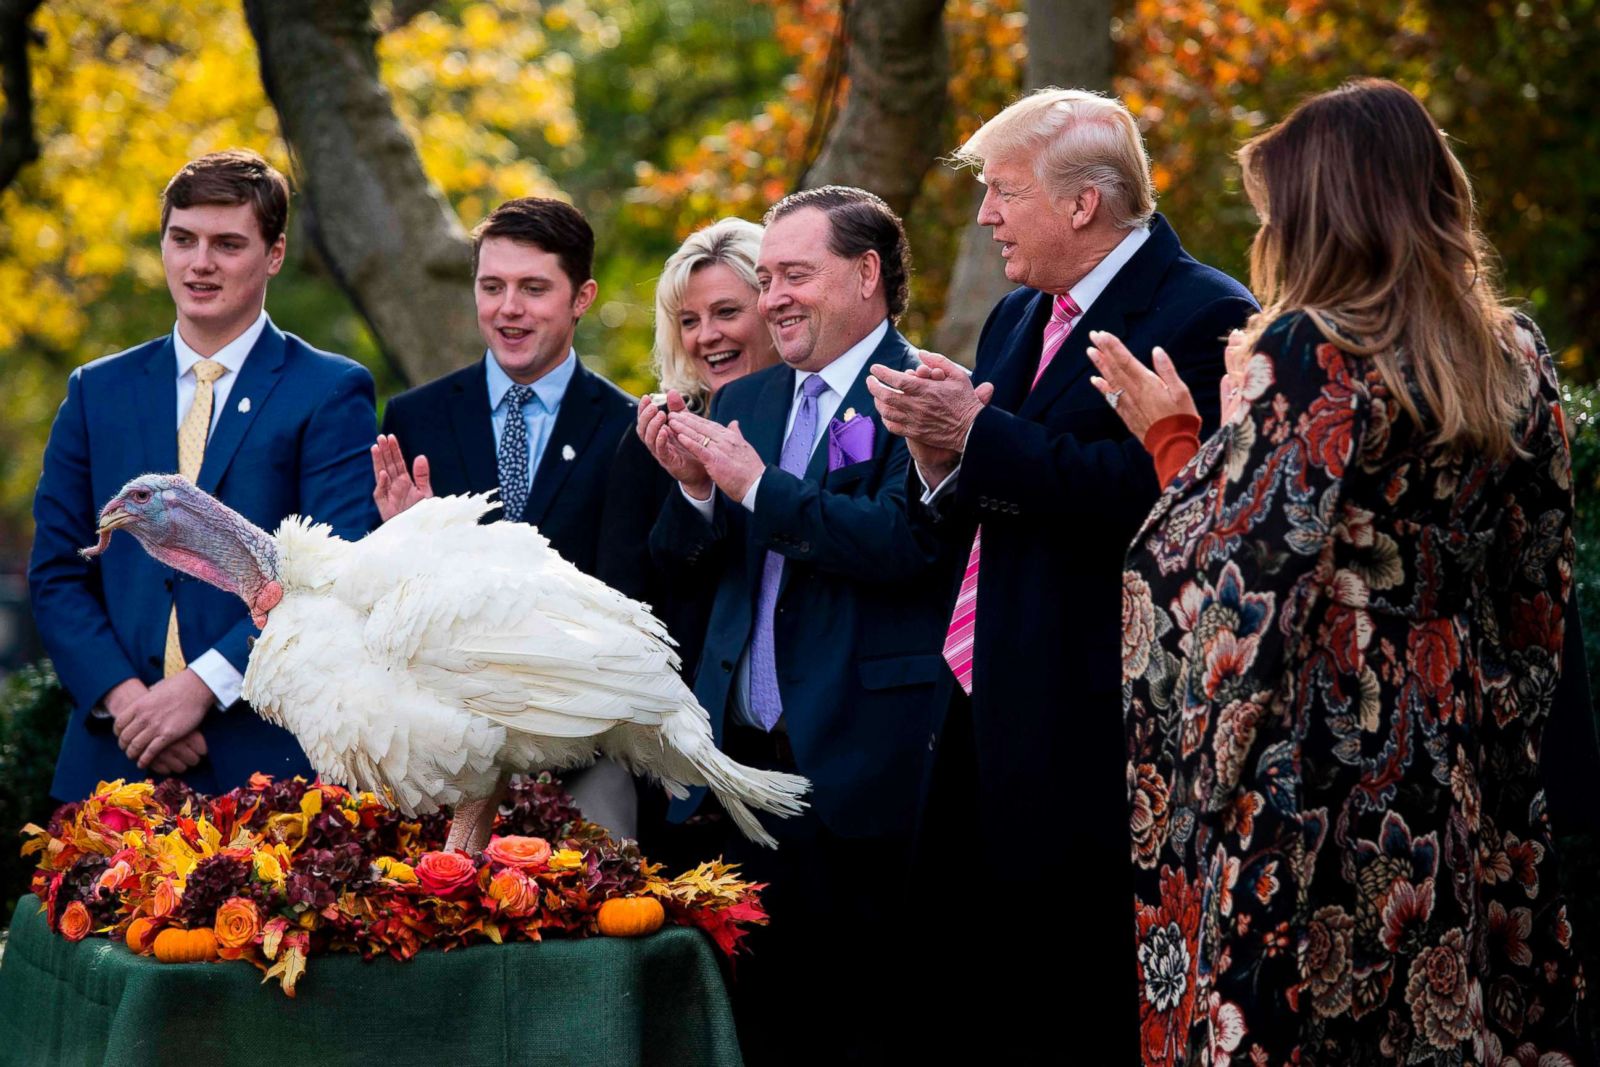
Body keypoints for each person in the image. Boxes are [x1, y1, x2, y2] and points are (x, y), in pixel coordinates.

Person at [1101, 78, 1589, 1062]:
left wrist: (1173, 438)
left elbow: (1219, 572)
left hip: (1325, 750)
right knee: (1443, 1006)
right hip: (1461, 740)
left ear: (1323, 214)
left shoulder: (1308, 353)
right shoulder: (1515, 356)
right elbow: (1539, 587)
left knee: (1320, 1008)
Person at [865, 88, 1256, 1053]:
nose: (986, 213)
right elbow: (988, 491)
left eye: (1003, 191)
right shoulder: (1014, 314)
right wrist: (937, 453)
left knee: (1072, 990)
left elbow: (1151, 494)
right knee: (967, 980)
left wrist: (979, 435)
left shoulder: (1203, 312)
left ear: (1082, 204)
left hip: (1094, 709)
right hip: (982, 686)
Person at [640, 186, 950, 1064]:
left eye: (794, 275)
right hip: (743, 764)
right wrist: (696, 492)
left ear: (866, 273)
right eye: (767, 275)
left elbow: (905, 545)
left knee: (866, 1025)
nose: (774, 295)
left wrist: (756, 487)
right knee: (760, 1026)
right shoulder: (751, 400)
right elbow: (688, 569)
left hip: (858, 759)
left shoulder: (921, 391)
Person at [30, 150, 380, 801]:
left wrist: (201, 688)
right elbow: (55, 571)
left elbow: (330, 577)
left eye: (227, 243)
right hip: (113, 759)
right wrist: (128, 700)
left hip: (265, 766)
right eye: (182, 238)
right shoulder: (95, 392)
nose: (200, 263)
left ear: (274, 254)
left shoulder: (330, 392)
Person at [371, 196, 637, 835]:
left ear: (582, 297)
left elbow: (630, 599)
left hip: (586, 757)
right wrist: (409, 545)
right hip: (444, 763)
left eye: (533, 288)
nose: (509, 308)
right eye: (492, 287)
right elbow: (382, 603)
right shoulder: (416, 418)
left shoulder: (628, 428)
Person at [597, 218, 779, 866]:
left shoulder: (813, 417)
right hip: (690, 773)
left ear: (775, 305)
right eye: (689, 320)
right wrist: (695, 492)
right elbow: (628, 605)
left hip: (815, 747)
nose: (708, 336)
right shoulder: (651, 437)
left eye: (727, 311)